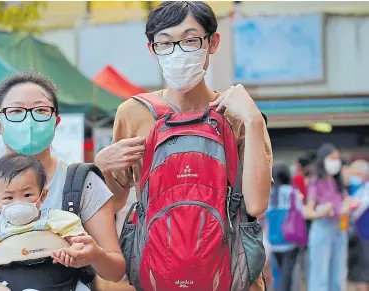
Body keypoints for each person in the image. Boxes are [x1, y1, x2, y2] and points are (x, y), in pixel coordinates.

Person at [95, 1, 273, 290]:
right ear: (152, 49)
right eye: (165, 43)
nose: (178, 52)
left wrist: (253, 120)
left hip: (231, 277)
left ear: (212, 42)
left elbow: (257, 203)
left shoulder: (240, 113)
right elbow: (116, 201)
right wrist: (101, 168)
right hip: (160, 273)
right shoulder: (132, 112)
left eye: (190, 40)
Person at [0, 71, 125, 291]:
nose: (29, 120)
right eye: (15, 111)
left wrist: (95, 255)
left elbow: (116, 271)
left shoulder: (83, 181)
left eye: (41, 110)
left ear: (56, 120)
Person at [0, 153, 90, 291]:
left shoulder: (58, 220)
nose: (19, 203)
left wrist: (71, 252)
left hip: (62, 282)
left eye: (27, 195)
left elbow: (82, 245)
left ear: (43, 195)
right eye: (8, 198)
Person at [304, 143, 350, 291]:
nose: (335, 162)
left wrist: (348, 207)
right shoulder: (316, 182)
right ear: (323, 159)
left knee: (338, 275)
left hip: (340, 229)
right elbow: (308, 212)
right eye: (332, 158)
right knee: (320, 274)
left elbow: (345, 202)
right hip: (322, 228)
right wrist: (321, 213)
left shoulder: (338, 183)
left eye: (337, 158)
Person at [265, 163, 303, 291]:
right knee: (287, 276)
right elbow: (301, 211)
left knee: (278, 274)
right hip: (289, 240)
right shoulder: (292, 192)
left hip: (273, 241)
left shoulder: (267, 193)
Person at [347, 159, 369, 291]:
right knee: (358, 276)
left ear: (362, 174)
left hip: (365, 236)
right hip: (358, 235)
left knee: (363, 276)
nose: (352, 176)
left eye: (354, 173)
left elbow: (355, 208)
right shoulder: (357, 188)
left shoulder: (366, 189)